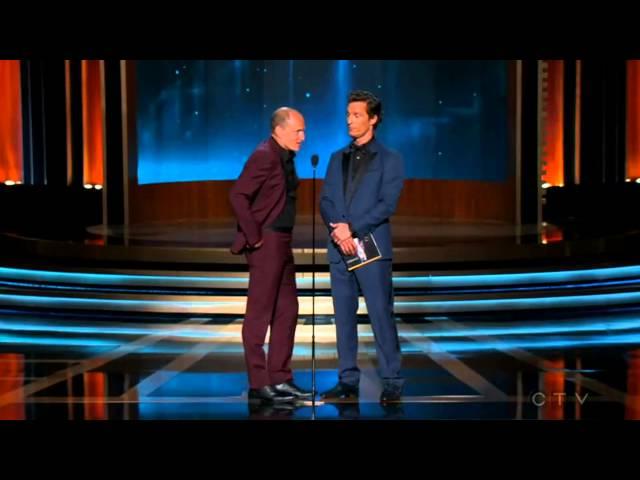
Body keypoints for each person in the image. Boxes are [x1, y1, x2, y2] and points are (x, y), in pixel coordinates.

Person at [319, 90, 405, 404]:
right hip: (339, 248)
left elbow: (387, 204)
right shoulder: (335, 157)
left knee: (381, 314)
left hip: (371, 248)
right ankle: (347, 380)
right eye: (348, 115)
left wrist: (352, 228)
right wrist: (339, 232)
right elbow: (326, 200)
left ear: (373, 118)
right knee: (343, 317)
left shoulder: (390, 159)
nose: (350, 121)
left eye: (356, 115)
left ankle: (393, 380)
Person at [229, 107, 312, 404]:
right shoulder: (264, 154)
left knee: (288, 309)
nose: (303, 137)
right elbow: (238, 194)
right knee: (259, 314)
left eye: (304, 131)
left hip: (283, 241)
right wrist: (254, 236)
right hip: (268, 242)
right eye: (298, 131)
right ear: (279, 129)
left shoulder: (285, 155)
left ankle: (281, 377)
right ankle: (258, 383)